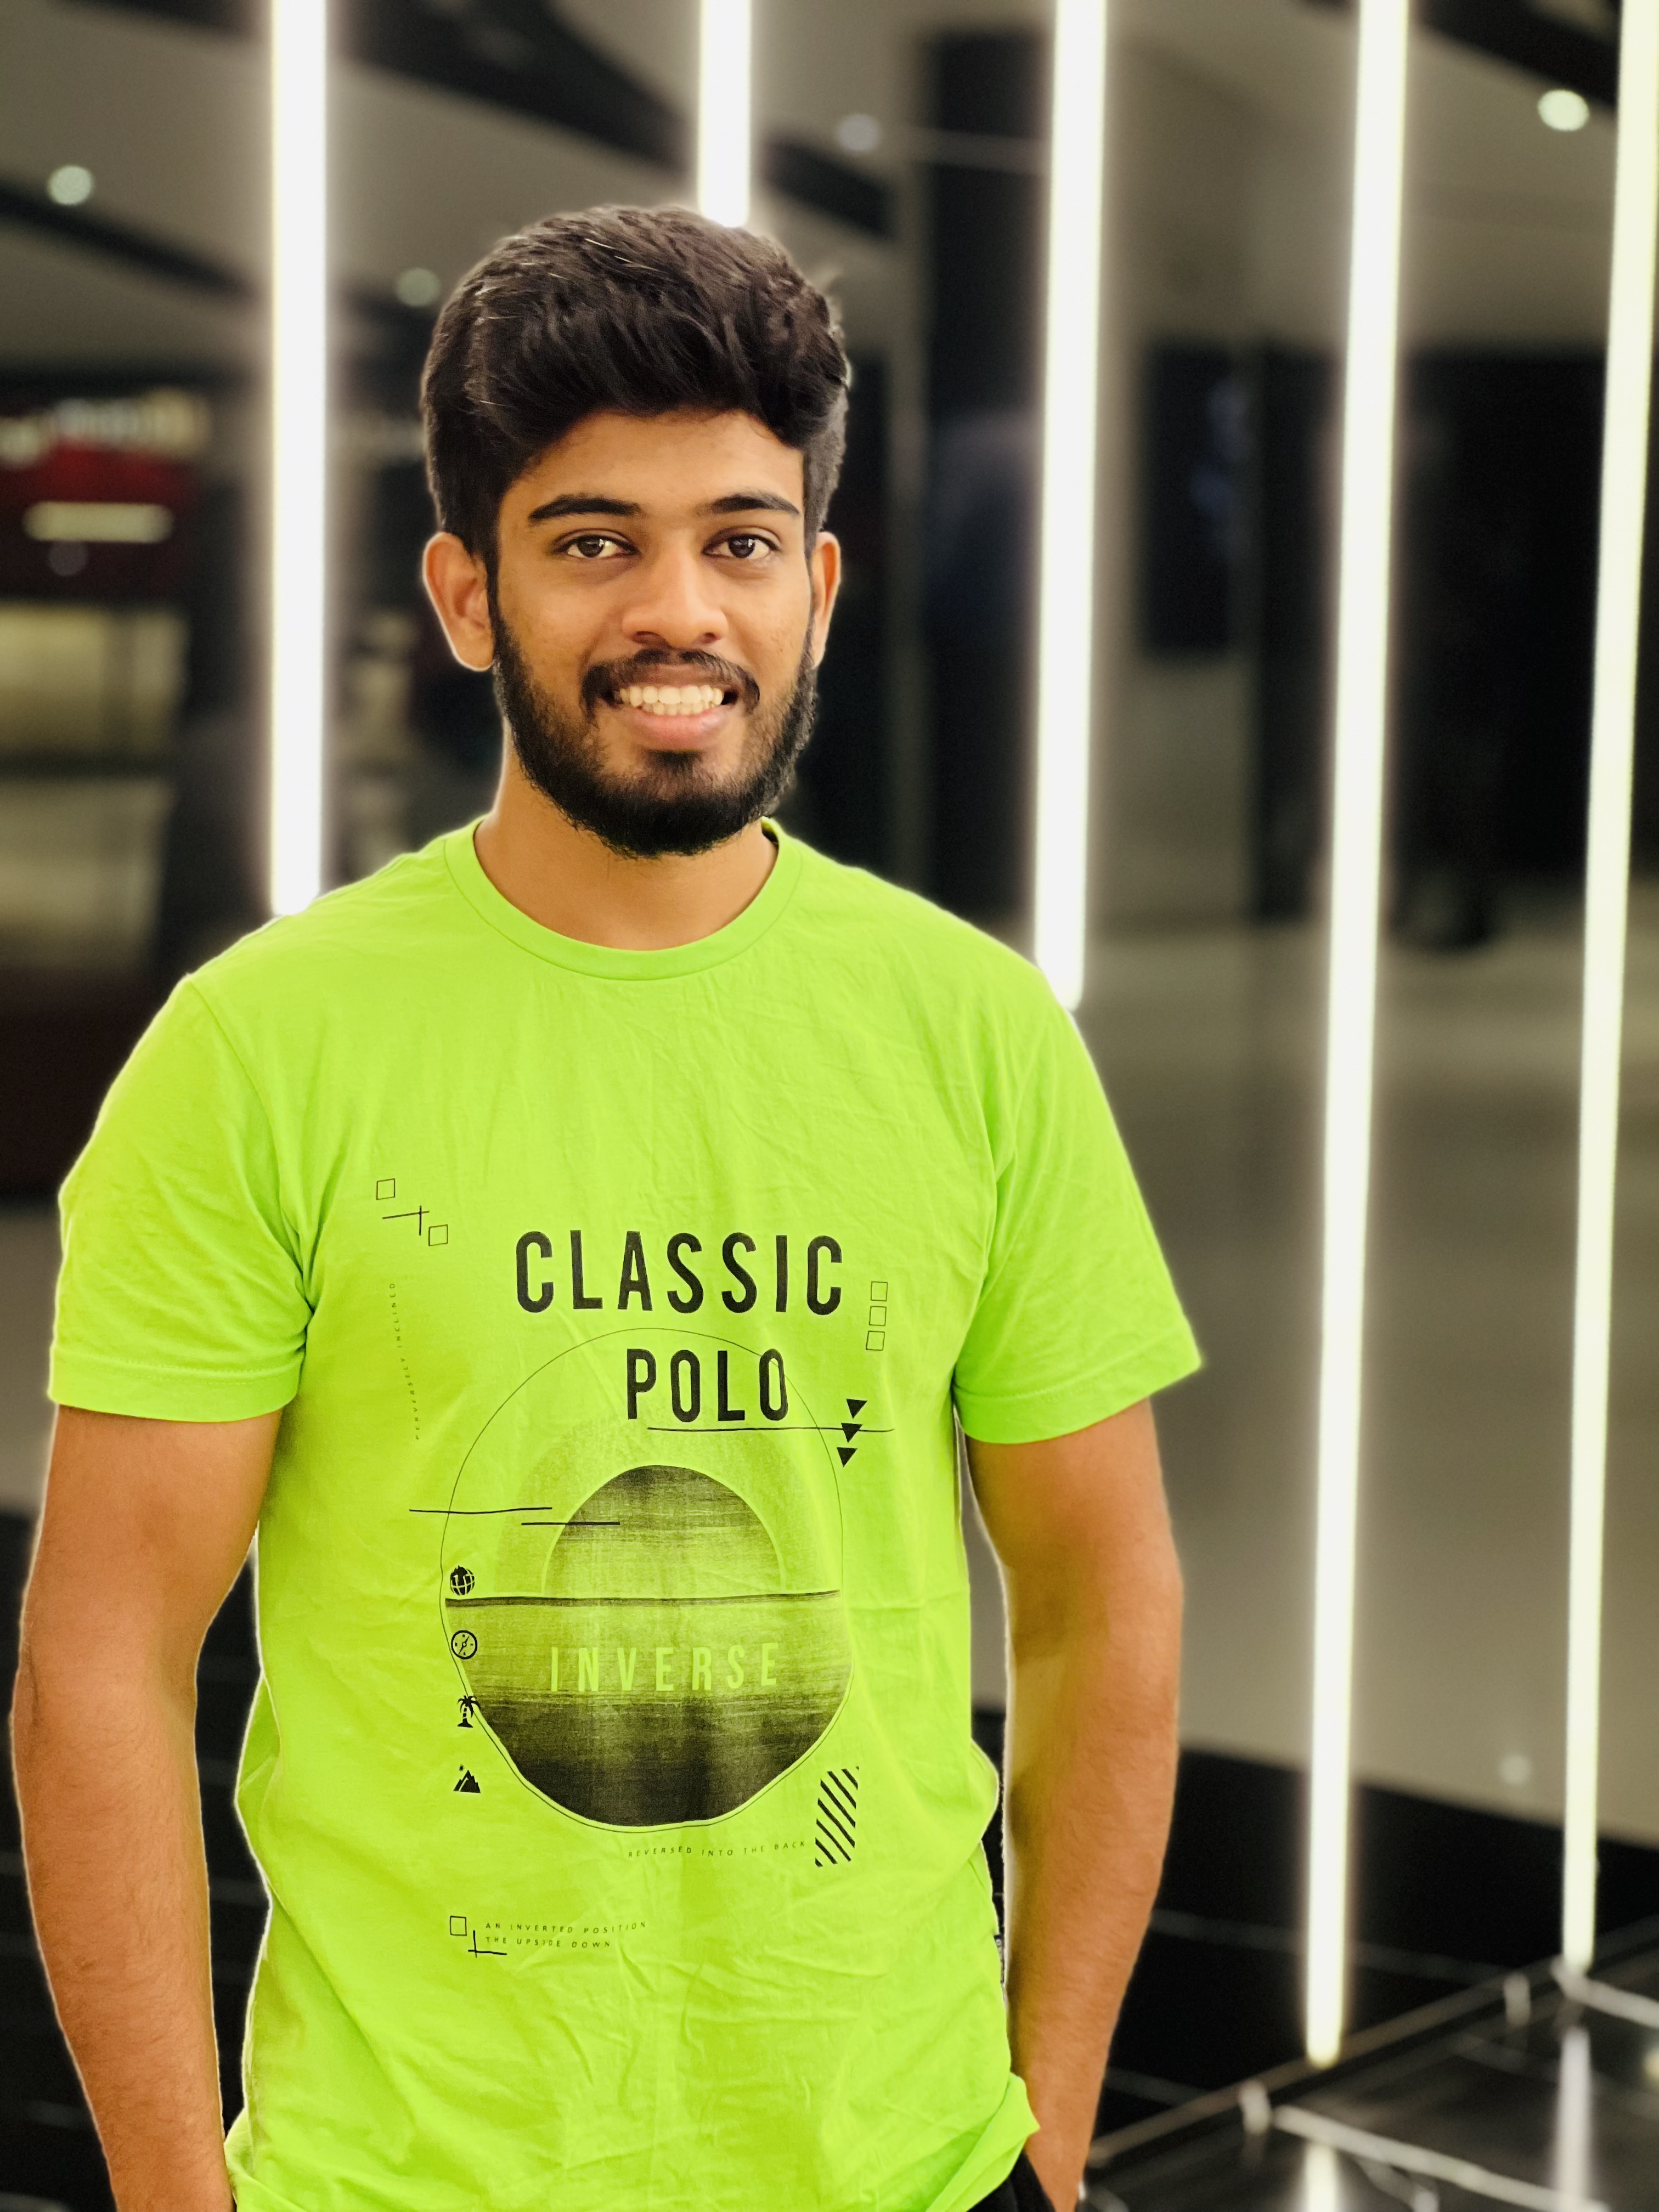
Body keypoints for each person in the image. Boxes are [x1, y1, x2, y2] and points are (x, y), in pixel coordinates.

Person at [12, 207, 1197, 2212]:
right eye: (592, 543)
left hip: (913, 2170)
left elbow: (1103, 1600)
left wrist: (1047, 2135)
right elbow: (103, 1660)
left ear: (818, 584)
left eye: (740, 541)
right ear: (467, 597)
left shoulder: (977, 1033)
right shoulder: (258, 1051)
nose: (679, 612)